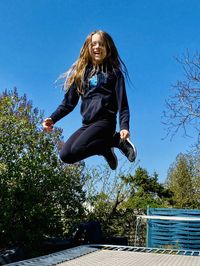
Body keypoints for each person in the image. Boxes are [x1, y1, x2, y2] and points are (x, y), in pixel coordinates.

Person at [42, 30, 136, 170]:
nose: (97, 47)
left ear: (108, 49)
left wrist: (124, 126)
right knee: (66, 155)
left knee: (78, 148)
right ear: (88, 48)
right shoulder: (81, 74)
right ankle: (105, 148)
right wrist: (53, 118)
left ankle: (115, 140)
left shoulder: (115, 73)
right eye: (94, 44)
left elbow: (123, 104)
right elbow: (68, 103)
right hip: (88, 125)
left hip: (105, 122)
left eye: (102, 44)